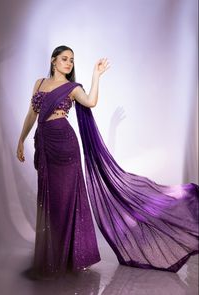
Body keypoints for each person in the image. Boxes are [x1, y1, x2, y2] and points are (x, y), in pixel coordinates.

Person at [17, 45, 199, 279]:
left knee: (63, 201)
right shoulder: (39, 83)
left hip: (65, 147)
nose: (69, 63)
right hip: (44, 145)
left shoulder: (73, 89)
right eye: (64, 59)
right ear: (53, 61)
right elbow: (32, 113)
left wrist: (96, 75)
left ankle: (65, 259)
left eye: (72, 60)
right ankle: (51, 256)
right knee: (49, 202)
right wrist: (21, 139)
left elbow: (91, 102)